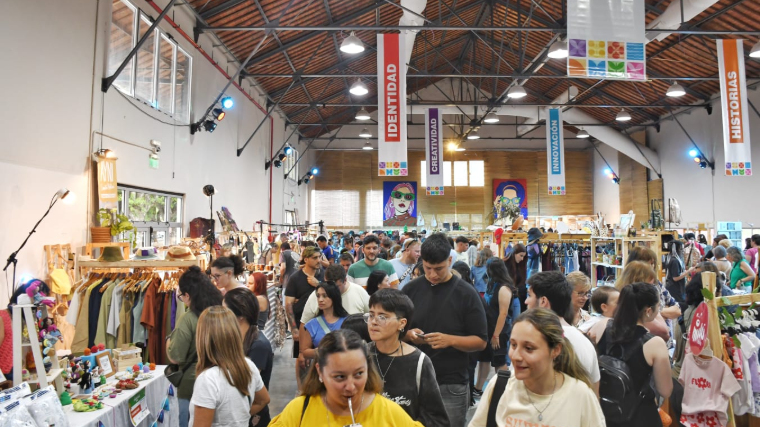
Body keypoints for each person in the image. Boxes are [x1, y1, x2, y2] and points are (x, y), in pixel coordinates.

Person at [402, 232, 488, 427]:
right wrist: (408, 334)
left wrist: (451, 340)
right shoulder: (410, 290)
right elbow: (396, 331)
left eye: (439, 268)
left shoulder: (467, 294)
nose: (432, 274)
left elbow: (481, 341)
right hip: (411, 378)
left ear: (450, 260)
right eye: (427, 268)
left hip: (451, 383)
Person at [468, 308, 605, 427]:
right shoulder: (501, 386)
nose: (515, 356)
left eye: (528, 348)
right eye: (513, 345)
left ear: (555, 350)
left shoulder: (580, 395)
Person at [269, 330, 424, 426]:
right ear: (320, 372)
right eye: (340, 377)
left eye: (358, 374)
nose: (350, 387)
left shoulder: (388, 413)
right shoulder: (298, 411)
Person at [366, 289, 451, 426]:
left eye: (382, 316)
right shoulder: (359, 355)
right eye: (371, 315)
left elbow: (435, 418)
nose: (373, 322)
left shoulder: (419, 362)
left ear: (402, 323)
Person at [596, 283, 672, 427]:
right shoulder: (655, 344)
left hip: (605, 411)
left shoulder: (602, 326)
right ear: (648, 311)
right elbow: (665, 390)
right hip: (639, 415)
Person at [190, 306, 270, 427]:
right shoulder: (248, 365)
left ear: (203, 337)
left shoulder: (208, 379)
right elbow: (264, 399)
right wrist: (239, 417)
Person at [524, 271, 600, 395]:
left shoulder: (533, 339)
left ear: (543, 301)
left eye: (529, 295)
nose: (526, 301)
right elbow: (595, 393)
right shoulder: (584, 341)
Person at [167, 266, 223, 427]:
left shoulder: (188, 319)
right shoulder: (222, 314)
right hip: (221, 380)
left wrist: (168, 342)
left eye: (181, 296)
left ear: (188, 295)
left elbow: (175, 357)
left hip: (192, 384)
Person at [222, 288, 273, 426]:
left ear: (240, 315)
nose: (221, 316)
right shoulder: (236, 339)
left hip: (253, 418)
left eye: (225, 311)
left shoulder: (258, 346)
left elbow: (245, 386)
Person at [284, 246, 324, 388]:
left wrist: (318, 284)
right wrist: (294, 329)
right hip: (302, 324)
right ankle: (301, 389)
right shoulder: (296, 278)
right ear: (306, 259)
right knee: (301, 358)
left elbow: (332, 294)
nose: (318, 260)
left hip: (321, 323)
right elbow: (288, 304)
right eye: (315, 257)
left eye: (320, 257)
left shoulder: (323, 275)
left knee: (322, 355)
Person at [299, 282, 349, 368]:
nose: (320, 299)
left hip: (344, 367)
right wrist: (321, 351)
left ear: (334, 297)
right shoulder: (312, 325)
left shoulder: (347, 321)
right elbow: (305, 352)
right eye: (318, 296)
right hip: (321, 369)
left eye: (325, 296)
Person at [301, 264, 369, 325]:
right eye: (329, 285)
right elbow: (304, 323)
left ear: (345, 280)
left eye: (336, 286)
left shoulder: (359, 292)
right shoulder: (317, 295)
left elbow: (370, 316)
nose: (332, 289)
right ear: (325, 279)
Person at [503, 244, 527, 311]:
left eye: (523, 256)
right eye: (521, 255)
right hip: (507, 297)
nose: (522, 259)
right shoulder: (504, 264)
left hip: (517, 297)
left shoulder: (521, 266)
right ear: (514, 253)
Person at [665, 241, 688, 309]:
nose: (683, 250)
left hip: (672, 286)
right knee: (679, 306)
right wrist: (688, 271)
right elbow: (675, 277)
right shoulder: (675, 260)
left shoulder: (669, 257)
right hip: (675, 287)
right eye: (681, 248)